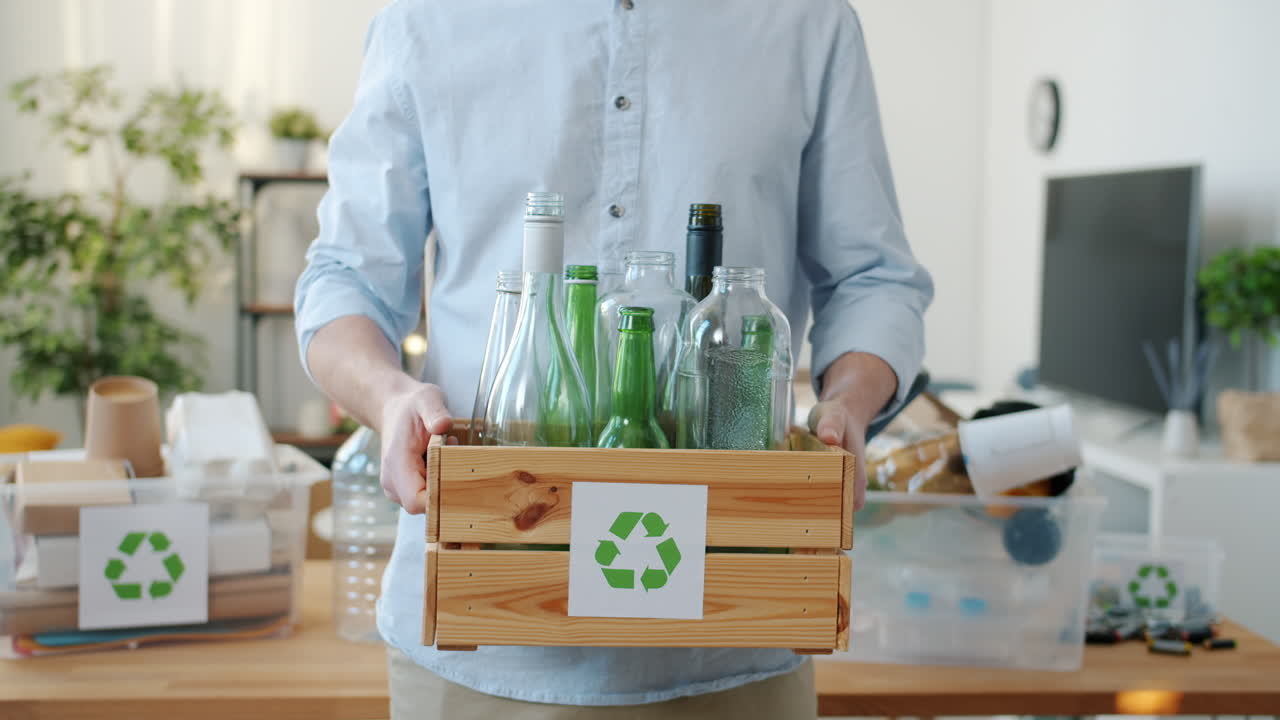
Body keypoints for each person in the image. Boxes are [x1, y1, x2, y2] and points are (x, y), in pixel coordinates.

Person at [295, 1, 933, 717]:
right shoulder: (426, 21)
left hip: (734, 643)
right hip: (478, 641)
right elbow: (344, 277)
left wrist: (846, 403)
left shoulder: (806, 24)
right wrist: (388, 400)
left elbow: (872, 278)